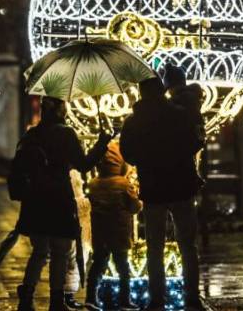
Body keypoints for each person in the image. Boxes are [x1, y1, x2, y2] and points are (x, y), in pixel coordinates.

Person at [16, 96, 111, 311]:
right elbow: (83, 164)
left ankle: (26, 297)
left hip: (35, 200)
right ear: (59, 109)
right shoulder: (65, 134)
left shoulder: (32, 134)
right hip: (58, 200)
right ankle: (56, 301)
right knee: (60, 251)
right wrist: (101, 143)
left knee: (39, 251)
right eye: (64, 106)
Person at [120, 78, 205, 311]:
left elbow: (127, 153)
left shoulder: (134, 121)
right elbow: (196, 142)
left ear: (141, 93)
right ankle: (192, 298)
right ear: (162, 91)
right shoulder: (180, 115)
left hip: (153, 189)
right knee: (188, 245)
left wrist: (146, 161)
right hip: (181, 186)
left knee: (154, 247)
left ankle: (157, 299)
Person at [84, 141, 142, 311]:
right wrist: (139, 202)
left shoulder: (94, 184)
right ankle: (124, 301)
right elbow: (134, 207)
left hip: (100, 233)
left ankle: (90, 297)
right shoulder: (124, 184)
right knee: (123, 267)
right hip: (119, 232)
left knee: (98, 265)